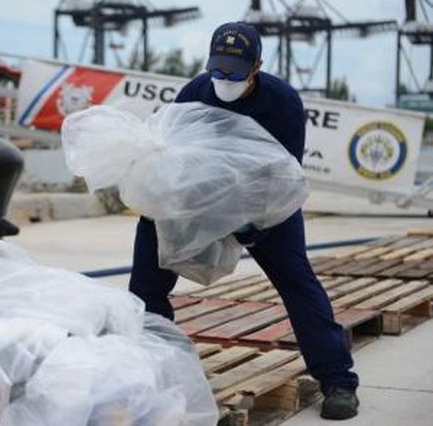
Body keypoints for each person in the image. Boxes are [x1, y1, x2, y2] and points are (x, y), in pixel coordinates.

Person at [128, 22, 360, 421]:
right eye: (218, 70)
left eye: (234, 73)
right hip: (203, 197)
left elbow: (285, 179)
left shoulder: (282, 102)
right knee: (149, 257)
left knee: (296, 280)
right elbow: (173, 158)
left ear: (257, 67)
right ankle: (151, 364)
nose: (224, 80)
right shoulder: (195, 93)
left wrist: (253, 225)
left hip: (267, 204)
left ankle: (338, 380)